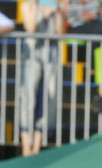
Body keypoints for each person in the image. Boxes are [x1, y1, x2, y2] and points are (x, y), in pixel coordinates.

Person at [19, 0, 62, 156]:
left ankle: (37, 146)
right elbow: (31, 28)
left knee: (48, 98)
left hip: (51, 52)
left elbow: (60, 31)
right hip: (32, 52)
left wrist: (58, 12)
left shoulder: (55, 4)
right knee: (28, 96)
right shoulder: (27, 4)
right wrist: (39, 11)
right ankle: (26, 145)